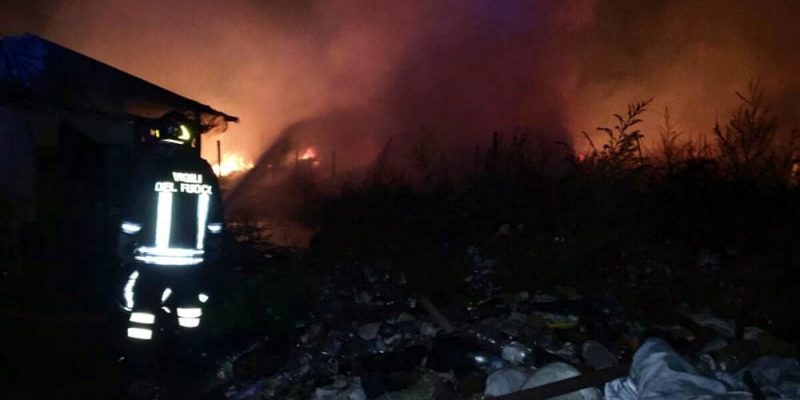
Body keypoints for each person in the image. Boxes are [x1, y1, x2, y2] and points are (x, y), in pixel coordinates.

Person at [116, 112, 223, 349]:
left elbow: (135, 210)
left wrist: (124, 242)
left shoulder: (151, 167)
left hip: (152, 261)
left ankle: (139, 356)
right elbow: (216, 217)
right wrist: (214, 246)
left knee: (144, 310)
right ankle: (189, 351)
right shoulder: (203, 168)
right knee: (189, 309)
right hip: (191, 262)